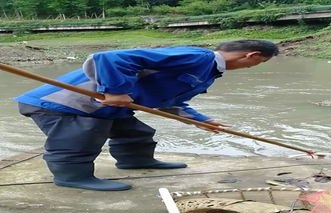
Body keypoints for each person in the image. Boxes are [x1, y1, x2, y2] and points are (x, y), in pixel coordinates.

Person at [15, 39, 279, 191]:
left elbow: (168, 101)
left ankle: (134, 161)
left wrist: (201, 121)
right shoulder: (197, 57)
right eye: (260, 62)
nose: (254, 67)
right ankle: (70, 177)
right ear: (252, 55)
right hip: (65, 104)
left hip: (108, 110)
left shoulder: (207, 72)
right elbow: (109, 58)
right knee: (81, 138)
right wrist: (116, 91)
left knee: (136, 133)